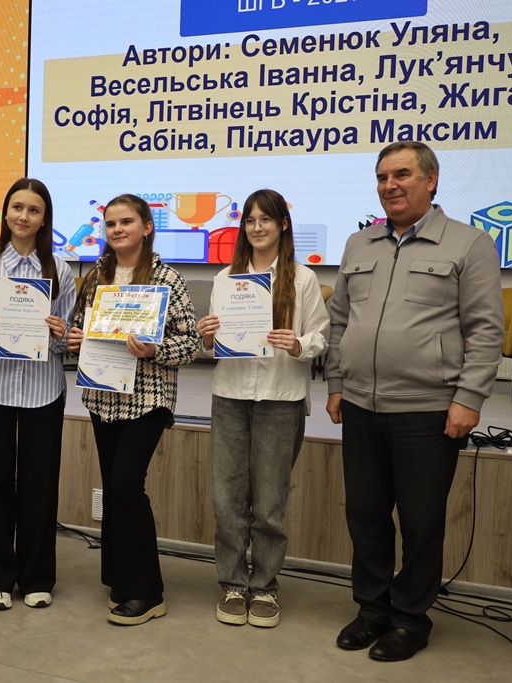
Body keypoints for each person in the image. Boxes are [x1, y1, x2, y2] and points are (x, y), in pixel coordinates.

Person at [325, 141, 504, 662]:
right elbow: (339, 321)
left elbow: (486, 331)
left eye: (401, 174)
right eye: (382, 177)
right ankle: (372, 609)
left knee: (421, 521)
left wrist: (469, 398)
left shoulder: (469, 244)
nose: (390, 185)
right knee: (365, 516)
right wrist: (335, 383)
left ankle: (409, 619)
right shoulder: (359, 243)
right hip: (360, 405)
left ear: (431, 179)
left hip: (428, 409)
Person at [196, 189, 329, 629]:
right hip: (230, 395)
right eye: (250, 220)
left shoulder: (303, 279)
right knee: (227, 500)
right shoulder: (226, 279)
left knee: (269, 504)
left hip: (280, 397)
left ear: (282, 225)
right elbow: (214, 343)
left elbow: (321, 336)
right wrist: (207, 335)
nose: (257, 227)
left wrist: (299, 343)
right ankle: (233, 584)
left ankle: (266, 586)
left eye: (265, 219)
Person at [67, 194, 199, 625]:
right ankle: (120, 581)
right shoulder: (95, 277)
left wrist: (154, 350)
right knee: (113, 487)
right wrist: (74, 340)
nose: (117, 229)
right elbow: (79, 331)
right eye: (110, 224)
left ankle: (147, 592)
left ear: (146, 227)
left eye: (126, 222)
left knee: (126, 485)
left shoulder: (167, 278)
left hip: (147, 399)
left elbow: (191, 343)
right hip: (103, 397)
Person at [0, 178, 76, 610]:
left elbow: (69, 342)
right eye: (17, 207)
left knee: (39, 486)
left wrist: (60, 333)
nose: (23, 216)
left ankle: (36, 578)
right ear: (5, 212)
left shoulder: (61, 270)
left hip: (44, 391)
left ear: (44, 219)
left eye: (33, 210)